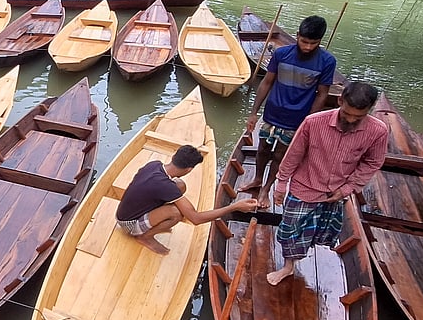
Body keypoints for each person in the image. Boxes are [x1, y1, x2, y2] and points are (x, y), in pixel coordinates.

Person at [266, 81, 388, 285]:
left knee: (319, 231)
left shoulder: (378, 131)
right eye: (346, 113)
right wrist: (280, 184)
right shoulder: (313, 122)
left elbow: (373, 162)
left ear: (369, 110)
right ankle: (288, 267)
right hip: (304, 186)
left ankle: (303, 255)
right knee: (289, 229)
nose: (350, 119)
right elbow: (293, 155)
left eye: (358, 117)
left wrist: (347, 188)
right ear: (340, 101)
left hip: (337, 191)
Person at [241, 15, 336, 209]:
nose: (308, 47)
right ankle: (258, 179)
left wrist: (308, 121)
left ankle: (266, 188)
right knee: (263, 149)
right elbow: (266, 82)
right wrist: (253, 112)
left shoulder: (327, 61)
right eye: (304, 41)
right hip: (272, 113)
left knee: (280, 156)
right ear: (297, 35)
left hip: (297, 119)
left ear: (320, 41)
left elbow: (322, 94)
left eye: (313, 43)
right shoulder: (281, 54)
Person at [116, 144, 259, 255]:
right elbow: (195, 219)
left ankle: (154, 221)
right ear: (189, 169)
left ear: (174, 157)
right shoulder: (165, 186)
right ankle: (144, 237)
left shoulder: (155, 164)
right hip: (128, 223)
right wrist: (234, 207)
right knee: (176, 213)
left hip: (124, 212)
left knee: (180, 185)